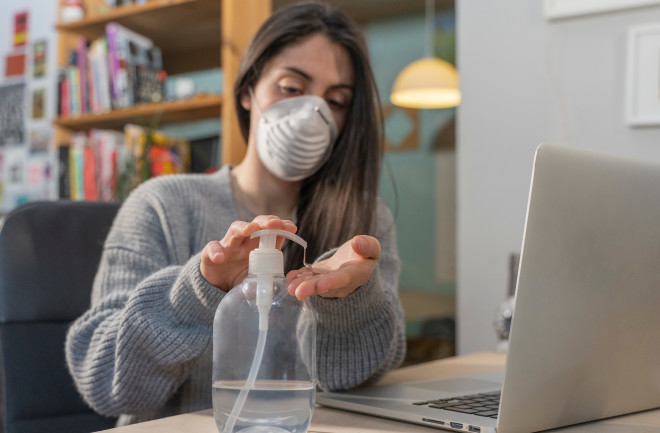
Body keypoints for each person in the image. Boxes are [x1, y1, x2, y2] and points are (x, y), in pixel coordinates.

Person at [66, 0, 405, 426]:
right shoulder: (163, 205)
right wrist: (198, 290)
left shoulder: (364, 222)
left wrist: (351, 302)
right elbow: (103, 382)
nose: (312, 114)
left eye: (335, 101)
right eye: (292, 88)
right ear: (247, 92)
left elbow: (360, 382)